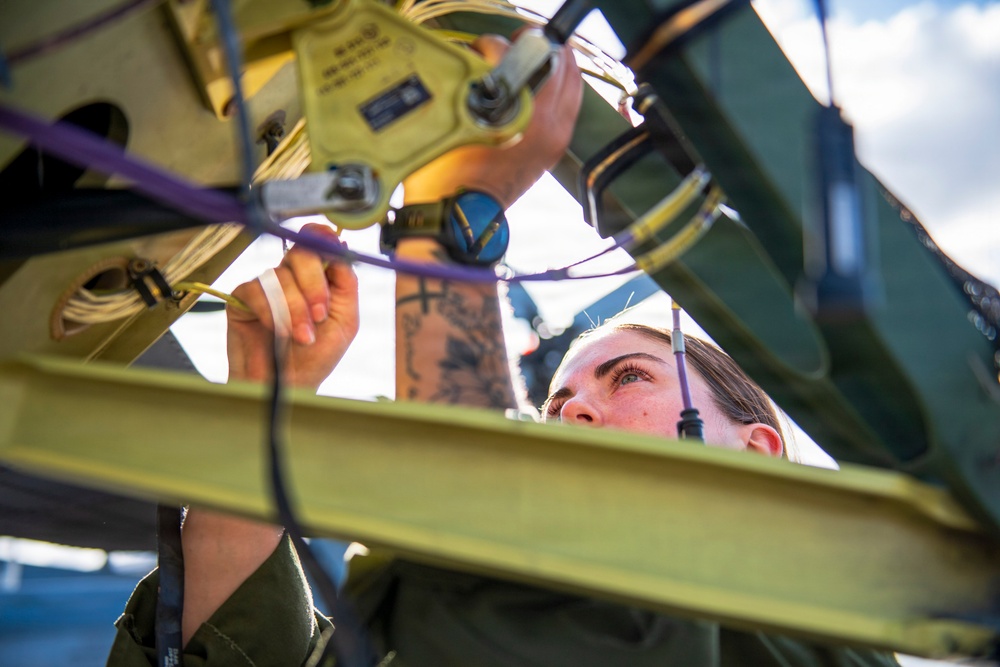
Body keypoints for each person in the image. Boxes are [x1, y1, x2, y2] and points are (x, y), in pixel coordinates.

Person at [106, 31, 898, 667]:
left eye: (630, 376)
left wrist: (451, 222)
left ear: (757, 450)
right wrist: (260, 403)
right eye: (555, 402)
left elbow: (496, 624)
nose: (576, 406)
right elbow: (218, 645)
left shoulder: (810, 636)